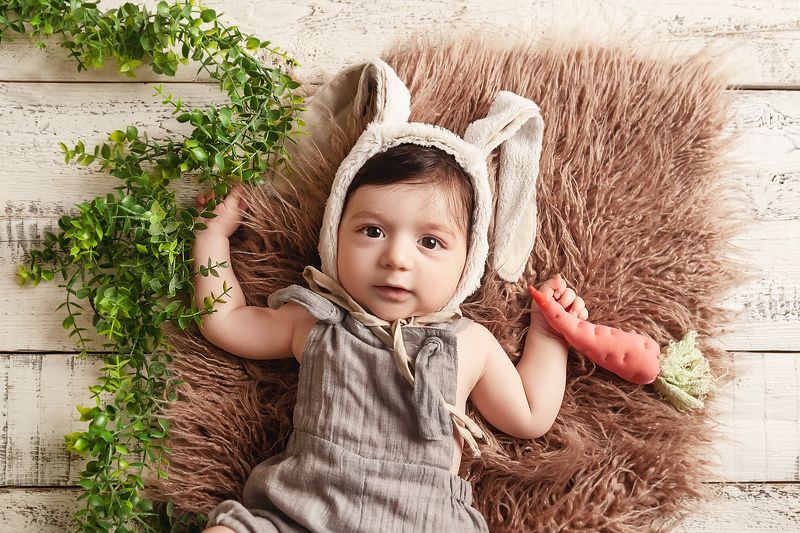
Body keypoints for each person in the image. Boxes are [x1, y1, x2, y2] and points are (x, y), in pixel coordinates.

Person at [193, 60, 587, 532]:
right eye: (373, 231)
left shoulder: (468, 343)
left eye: (430, 242)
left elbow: (529, 413)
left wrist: (548, 332)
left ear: (469, 260)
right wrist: (211, 238)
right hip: (303, 512)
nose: (397, 258)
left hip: (423, 520)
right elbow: (227, 321)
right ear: (336, 233)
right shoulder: (317, 320)